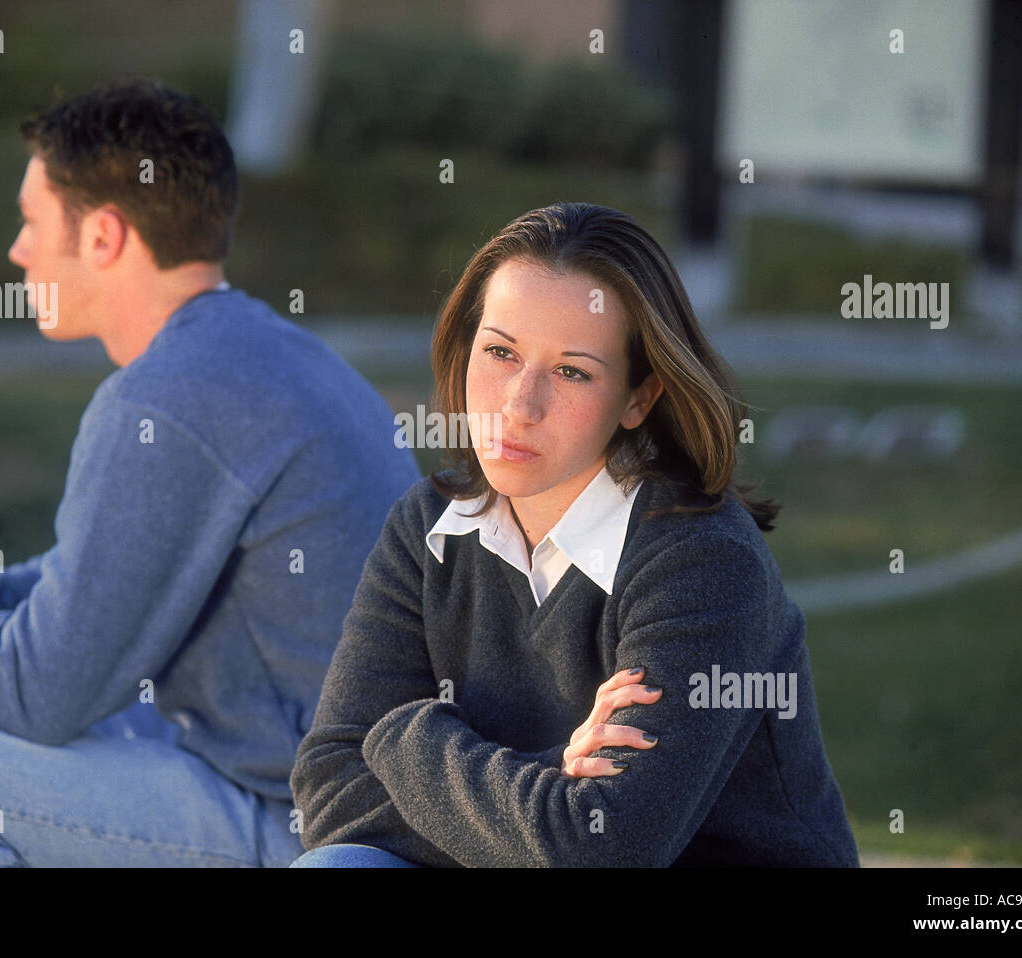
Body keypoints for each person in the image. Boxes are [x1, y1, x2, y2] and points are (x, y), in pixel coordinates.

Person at [0, 79, 420, 867]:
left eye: (31, 220)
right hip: (316, 783)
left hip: (304, 820)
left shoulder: (167, 398)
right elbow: (84, 585)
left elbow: (44, 688)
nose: (17, 250)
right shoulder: (266, 355)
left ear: (103, 236)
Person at [289, 203, 859, 867]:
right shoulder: (426, 528)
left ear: (638, 398)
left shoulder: (702, 559)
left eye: (571, 371)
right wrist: (555, 772)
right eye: (500, 352)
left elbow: (602, 847)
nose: (519, 405)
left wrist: (404, 739)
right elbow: (328, 793)